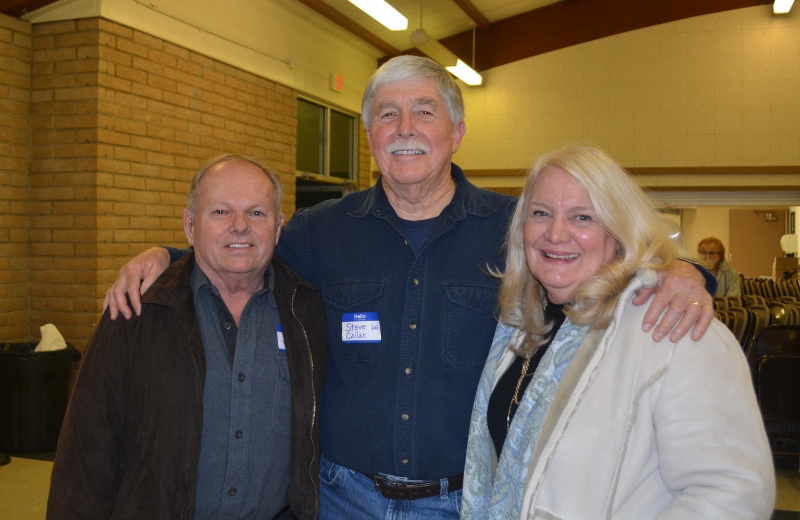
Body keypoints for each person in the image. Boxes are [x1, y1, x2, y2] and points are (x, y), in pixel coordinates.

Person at [103, 57, 715, 518]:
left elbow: (605, 253)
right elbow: (239, 252)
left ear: (457, 129)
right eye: (386, 114)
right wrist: (166, 255)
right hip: (341, 498)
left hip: (460, 502)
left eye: (424, 110)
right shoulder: (322, 232)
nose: (405, 127)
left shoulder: (514, 226)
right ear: (369, 135)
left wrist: (687, 272)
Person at [461, 144, 774, 519]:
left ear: (619, 233)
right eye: (541, 213)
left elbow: (733, 493)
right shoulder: (521, 328)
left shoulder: (675, 328)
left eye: (582, 218)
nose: (555, 234)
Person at [47, 155, 327, 519]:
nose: (240, 226)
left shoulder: (305, 311)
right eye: (221, 212)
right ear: (189, 225)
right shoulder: (138, 308)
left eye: (257, 213)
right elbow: (86, 451)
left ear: (278, 228)